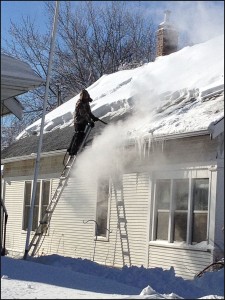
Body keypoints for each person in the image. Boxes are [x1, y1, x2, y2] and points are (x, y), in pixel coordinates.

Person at [67, 89, 98, 156]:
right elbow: (83, 114)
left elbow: (88, 112)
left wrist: (93, 117)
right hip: (78, 121)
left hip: (83, 121)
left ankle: (77, 148)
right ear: (82, 97)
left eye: (86, 96)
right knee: (79, 134)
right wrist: (90, 121)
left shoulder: (86, 102)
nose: (86, 98)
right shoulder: (80, 103)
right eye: (84, 96)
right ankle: (73, 150)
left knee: (81, 135)